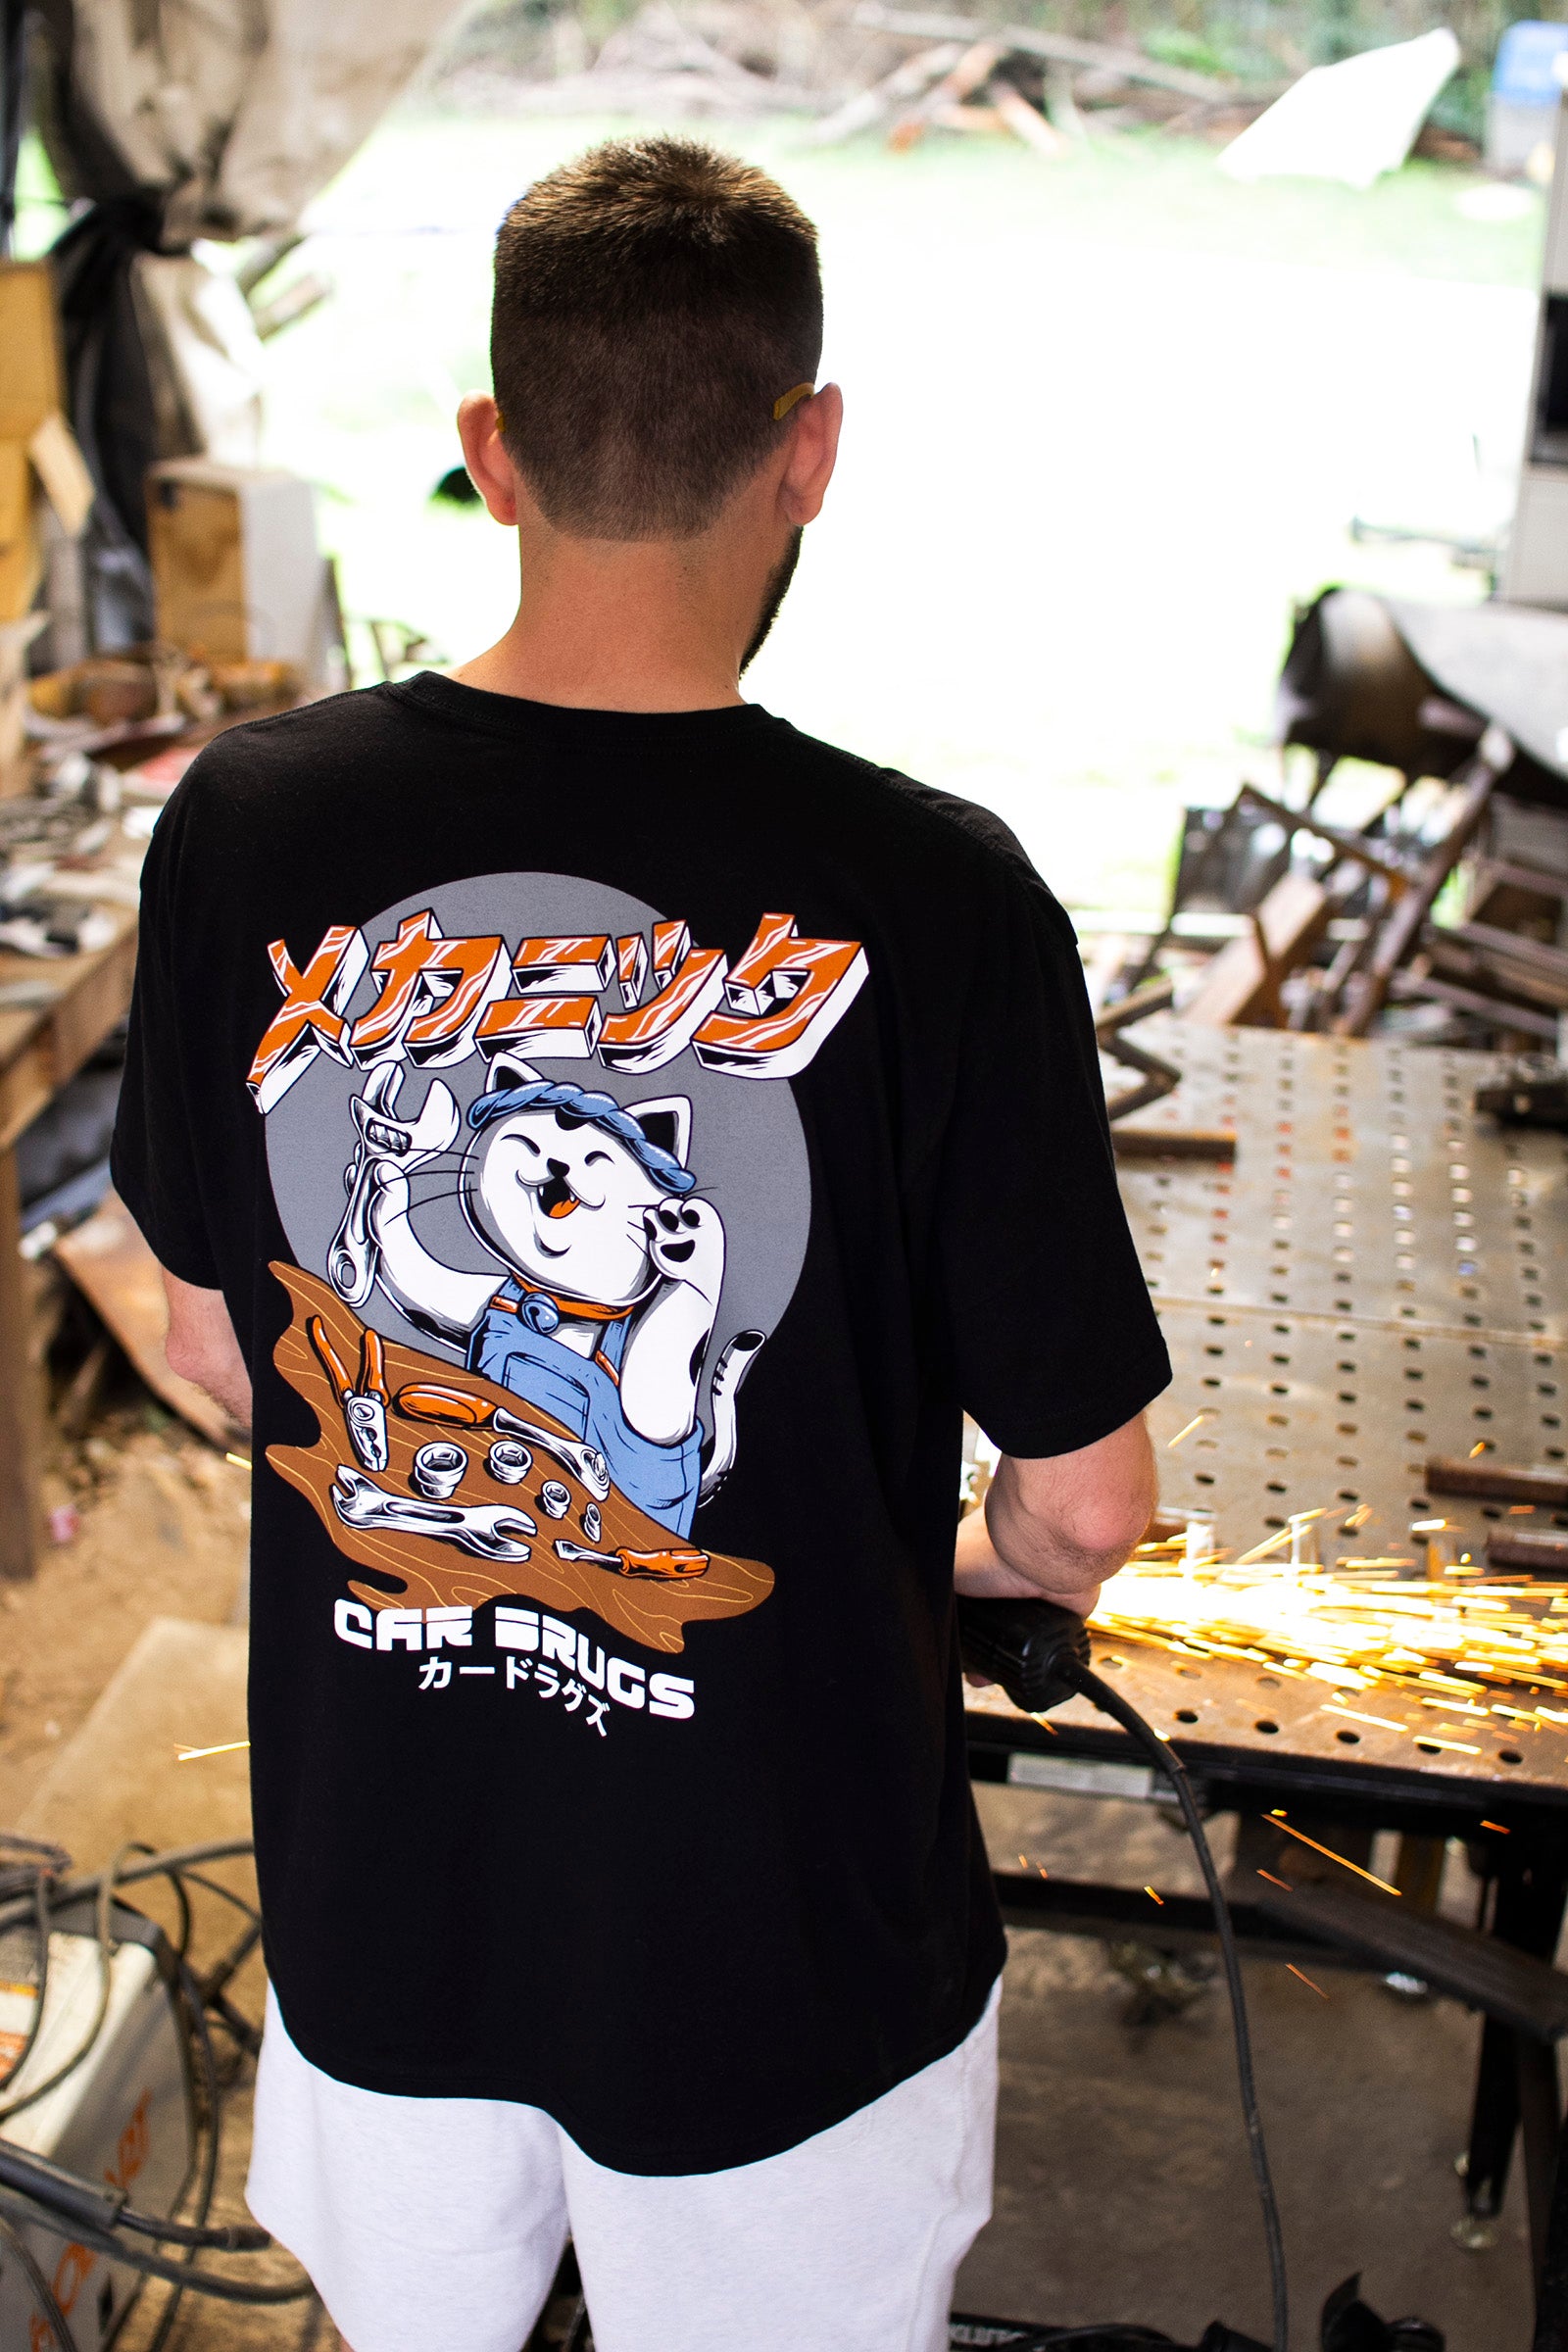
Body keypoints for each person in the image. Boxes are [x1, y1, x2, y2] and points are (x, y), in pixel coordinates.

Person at [112, 134, 1169, 2352]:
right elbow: (1083, 1508)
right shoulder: (948, 898)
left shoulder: (248, 823)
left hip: (390, 1918)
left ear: (487, 450)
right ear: (811, 453)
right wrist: (946, 1564)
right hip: (785, 1962)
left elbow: (218, 1344)